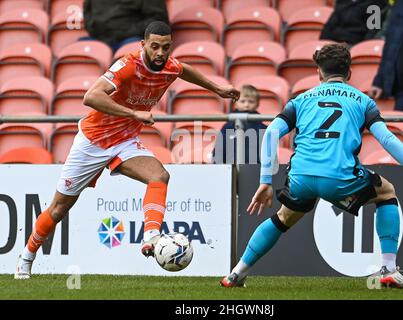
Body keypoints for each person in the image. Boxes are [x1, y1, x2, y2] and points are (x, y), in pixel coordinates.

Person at [14, 21, 240, 280]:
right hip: (93, 141)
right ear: (143, 45)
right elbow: (91, 96)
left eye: (166, 48)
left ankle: (151, 235)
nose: (160, 53)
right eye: (154, 47)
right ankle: (27, 257)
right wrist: (133, 113)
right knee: (59, 208)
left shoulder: (168, 65)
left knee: (160, 176)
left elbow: (183, 70)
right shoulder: (127, 65)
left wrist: (218, 89)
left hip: (125, 141)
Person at [221, 44, 403, 289]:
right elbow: (387, 139)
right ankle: (389, 270)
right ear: (349, 73)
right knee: (387, 191)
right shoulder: (363, 101)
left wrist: (265, 181)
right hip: (340, 178)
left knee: (284, 216)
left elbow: (272, 132)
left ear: (318, 73)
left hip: (301, 177)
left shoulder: (301, 100)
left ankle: (236, 273)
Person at [83, 0, 169, 52]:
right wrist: (92, 27)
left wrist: (129, 31)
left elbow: (158, 18)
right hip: (99, 38)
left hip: (132, 39)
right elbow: (87, 12)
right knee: (79, 50)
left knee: (135, 49)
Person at [213, 85, 267, 164]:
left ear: (257, 104)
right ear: (236, 102)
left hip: (255, 170)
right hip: (230, 169)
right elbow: (219, 150)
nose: (246, 104)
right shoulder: (228, 126)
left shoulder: (263, 128)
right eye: (243, 101)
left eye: (251, 101)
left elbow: (268, 154)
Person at [320, 0, 388, 46]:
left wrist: (358, 49)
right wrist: (322, 43)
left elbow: (372, 33)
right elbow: (330, 24)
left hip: (354, 44)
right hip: (333, 42)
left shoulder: (377, 2)